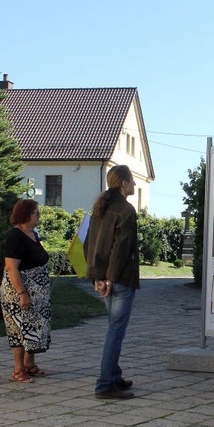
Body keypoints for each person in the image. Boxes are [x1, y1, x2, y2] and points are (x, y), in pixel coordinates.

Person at [84, 165, 140, 399]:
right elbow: (121, 249)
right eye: (132, 181)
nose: (135, 185)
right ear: (124, 183)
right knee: (116, 331)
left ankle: (114, 376)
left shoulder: (100, 208)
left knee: (113, 328)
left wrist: (98, 277)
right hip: (120, 279)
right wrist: (109, 278)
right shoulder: (126, 210)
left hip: (104, 278)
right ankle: (105, 384)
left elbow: (90, 244)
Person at [1, 199, 51, 383]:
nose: (39, 216)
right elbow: (11, 267)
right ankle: (18, 369)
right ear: (25, 215)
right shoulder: (15, 236)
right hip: (18, 292)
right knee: (19, 329)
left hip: (37, 292)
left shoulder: (33, 234)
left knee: (34, 328)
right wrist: (23, 294)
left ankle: (29, 363)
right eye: (36, 213)